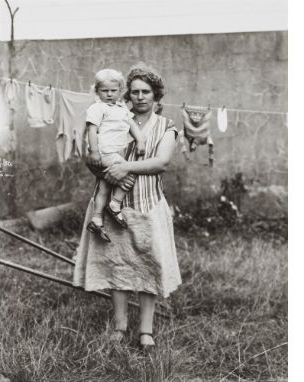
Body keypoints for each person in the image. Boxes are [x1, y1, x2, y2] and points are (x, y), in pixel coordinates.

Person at [73, 63, 182, 350]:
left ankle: (146, 330)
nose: (140, 97)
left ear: (156, 95)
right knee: (117, 265)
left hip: (147, 205)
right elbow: (90, 154)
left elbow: (161, 162)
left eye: (146, 91)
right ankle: (120, 326)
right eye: (134, 92)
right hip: (112, 204)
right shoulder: (110, 115)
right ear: (127, 94)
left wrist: (125, 167)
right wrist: (99, 166)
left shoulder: (166, 126)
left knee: (149, 266)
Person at [85, 69, 146, 243]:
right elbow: (92, 130)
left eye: (114, 90)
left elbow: (131, 123)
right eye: (105, 91)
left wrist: (140, 140)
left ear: (120, 91)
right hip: (105, 151)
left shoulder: (121, 108)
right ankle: (115, 204)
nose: (110, 94)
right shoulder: (97, 108)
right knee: (131, 171)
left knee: (104, 186)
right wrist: (94, 151)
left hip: (117, 151)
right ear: (97, 91)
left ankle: (97, 219)